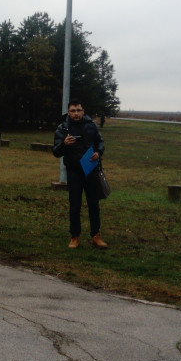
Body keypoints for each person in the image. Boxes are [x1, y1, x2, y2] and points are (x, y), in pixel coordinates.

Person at [52, 99, 109, 249]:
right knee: (75, 204)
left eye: (78, 110)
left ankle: (96, 236)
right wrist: (64, 144)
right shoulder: (63, 128)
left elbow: (100, 142)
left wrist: (98, 152)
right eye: (73, 111)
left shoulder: (91, 125)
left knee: (94, 204)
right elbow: (56, 151)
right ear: (68, 112)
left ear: (83, 111)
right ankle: (75, 236)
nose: (76, 113)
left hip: (90, 170)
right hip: (74, 172)